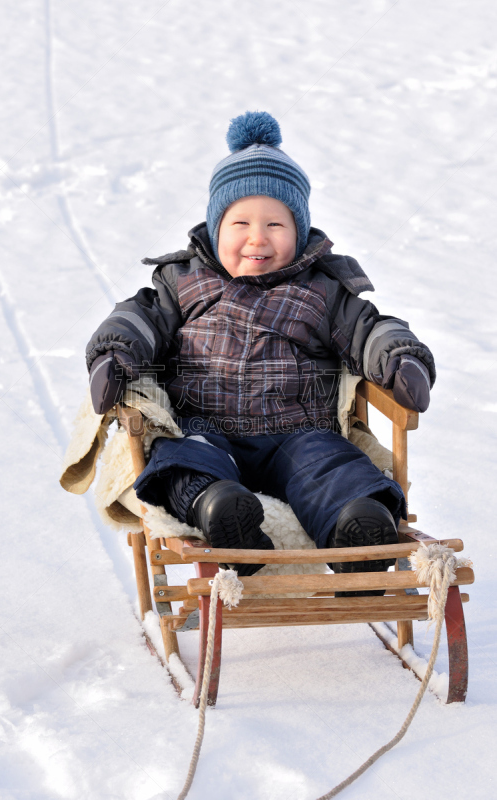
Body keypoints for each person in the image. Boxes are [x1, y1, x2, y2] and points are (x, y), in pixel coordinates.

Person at [85, 111, 435, 589]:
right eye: (240, 222)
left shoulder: (323, 290)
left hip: (296, 434)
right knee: (182, 462)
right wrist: (112, 354)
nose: (258, 238)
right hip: (206, 425)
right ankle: (220, 511)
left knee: (332, 466)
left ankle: (355, 531)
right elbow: (138, 317)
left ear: (299, 230)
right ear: (214, 227)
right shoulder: (184, 282)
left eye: (276, 223)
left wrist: (401, 359)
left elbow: (371, 328)